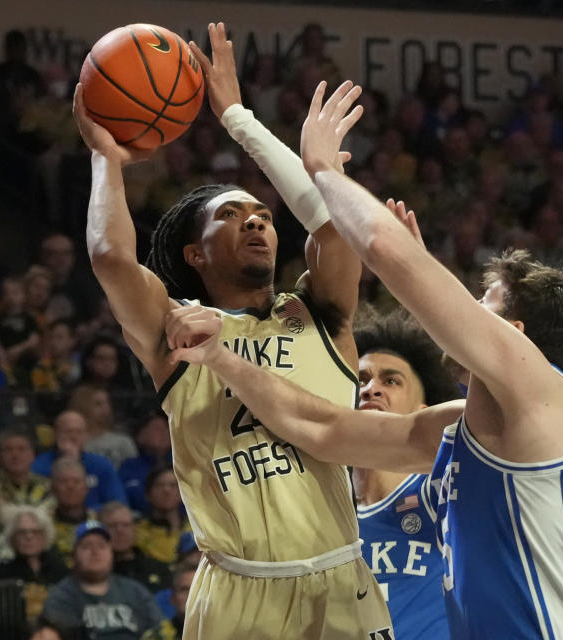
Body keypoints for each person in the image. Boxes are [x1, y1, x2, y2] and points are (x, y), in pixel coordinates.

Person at [163, 78, 563, 637]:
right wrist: (224, 359)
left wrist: (324, 168)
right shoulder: (456, 431)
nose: (469, 309)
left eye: (485, 303)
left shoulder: (542, 393)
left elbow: (378, 246)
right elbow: (323, 428)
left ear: (516, 336)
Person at [73, 21, 389, 639]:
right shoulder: (180, 330)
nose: (255, 223)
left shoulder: (318, 313)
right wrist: (106, 158)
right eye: (231, 215)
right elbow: (110, 257)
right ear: (194, 254)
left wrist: (239, 119)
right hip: (237, 591)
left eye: (264, 215)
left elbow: (333, 225)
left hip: (339, 580)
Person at [351, 309, 457, 639]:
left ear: (423, 414)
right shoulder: (321, 508)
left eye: (391, 381)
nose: (371, 390)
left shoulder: (442, 489)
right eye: (361, 380)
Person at [40, 521, 170, 640]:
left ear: (111, 553)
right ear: (74, 555)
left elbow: (158, 630)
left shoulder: (135, 591)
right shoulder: (61, 596)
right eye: (86, 546)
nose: (95, 552)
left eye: (102, 546)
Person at [0, 505, 68, 623]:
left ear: (45, 536)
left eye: (35, 531)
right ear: (12, 537)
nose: (29, 537)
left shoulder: (60, 571)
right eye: (22, 532)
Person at [31, 410, 126, 509]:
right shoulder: (40, 466)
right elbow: (35, 505)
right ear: (55, 435)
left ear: (86, 436)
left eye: (79, 432)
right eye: (68, 432)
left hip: (94, 521)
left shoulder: (102, 465)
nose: (73, 437)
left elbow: (119, 504)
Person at [99, 501, 172, 594]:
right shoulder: (95, 573)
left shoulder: (159, 569)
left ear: (134, 529)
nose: (120, 531)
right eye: (112, 526)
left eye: (125, 525)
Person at [134, 467, 192, 565]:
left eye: (173, 485)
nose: (166, 490)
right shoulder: (137, 531)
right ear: (148, 494)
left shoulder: (195, 527)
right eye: (159, 485)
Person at [118, 411, 172, 512]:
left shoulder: (181, 465)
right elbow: (128, 497)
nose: (165, 432)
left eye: (167, 428)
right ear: (141, 436)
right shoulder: (130, 466)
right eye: (157, 429)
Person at [0, 427, 53, 508]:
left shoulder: (48, 487)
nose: (15, 455)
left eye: (21, 449)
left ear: (33, 455)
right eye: (9, 450)